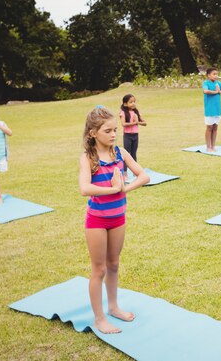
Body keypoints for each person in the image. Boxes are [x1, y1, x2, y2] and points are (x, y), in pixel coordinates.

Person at [78, 106, 150, 334]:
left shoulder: (120, 153)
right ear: (93, 133)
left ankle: (113, 307)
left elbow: (145, 176)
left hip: (118, 218)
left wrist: (125, 188)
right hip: (97, 221)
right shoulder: (88, 158)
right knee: (98, 269)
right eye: (108, 130)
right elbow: (84, 188)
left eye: (115, 130)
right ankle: (99, 319)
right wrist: (112, 190)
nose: (113, 134)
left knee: (114, 265)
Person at [202, 67, 221, 152]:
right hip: (210, 110)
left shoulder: (218, 83)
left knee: (215, 127)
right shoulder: (206, 83)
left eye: (217, 74)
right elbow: (205, 91)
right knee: (209, 127)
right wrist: (215, 92)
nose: (216, 76)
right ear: (208, 75)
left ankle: (213, 146)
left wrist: (220, 92)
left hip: (217, 109)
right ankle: (208, 147)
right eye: (214, 74)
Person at [119, 94, 146, 162]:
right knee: (126, 153)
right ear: (125, 104)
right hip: (127, 136)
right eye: (131, 102)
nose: (133, 103)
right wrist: (134, 123)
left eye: (134, 101)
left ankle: (135, 171)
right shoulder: (123, 113)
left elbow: (145, 123)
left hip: (135, 135)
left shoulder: (136, 112)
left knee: (134, 153)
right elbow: (123, 124)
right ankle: (125, 171)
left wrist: (137, 122)